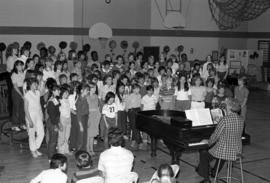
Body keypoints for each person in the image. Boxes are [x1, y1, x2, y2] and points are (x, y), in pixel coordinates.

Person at [196, 98, 244, 183]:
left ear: (229, 107)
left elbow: (215, 136)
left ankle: (206, 179)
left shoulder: (224, 120)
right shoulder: (241, 119)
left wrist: (207, 142)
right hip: (237, 150)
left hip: (225, 151)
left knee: (203, 153)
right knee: (213, 149)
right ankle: (213, 171)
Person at [24, 78, 44, 158]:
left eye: (36, 83)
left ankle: (35, 147)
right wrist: (29, 120)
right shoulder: (27, 94)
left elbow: (39, 105)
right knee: (31, 134)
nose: (36, 85)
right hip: (30, 115)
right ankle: (33, 150)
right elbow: (25, 109)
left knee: (41, 133)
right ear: (30, 85)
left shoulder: (38, 93)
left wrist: (41, 114)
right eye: (34, 84)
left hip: (38, 114)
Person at [86, 82, 101, 155]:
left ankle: (91, 149)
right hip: (89, 116)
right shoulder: (86, 97)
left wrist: (98, 117)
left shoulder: (96, 96)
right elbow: (85, 109)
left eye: (95, 87)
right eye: (93, 88)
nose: (94, 89)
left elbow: (98, 107)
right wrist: (87, 118)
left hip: (95, 116)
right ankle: (87, 149)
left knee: (92, 135)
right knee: (88, 135)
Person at [47, 85, 61, 159]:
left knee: (54, 141)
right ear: (53, 91)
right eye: (57, 90)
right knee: (52, 141)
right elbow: (52, 115)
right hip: (53, 122)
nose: (59, 91)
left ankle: (53, 156)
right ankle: (50, 158)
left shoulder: (55, 99)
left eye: (59, 90)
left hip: (55, 121)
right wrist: (56, 125)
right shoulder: (51, 101)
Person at [11, 60, 25, 131]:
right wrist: (21, 94)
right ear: (16, 66)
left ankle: (22, 123)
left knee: (22, 108)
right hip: (17, 91)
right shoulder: (14, 74)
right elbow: (15, 86)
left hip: (22, 89)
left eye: (22, 65)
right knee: (16, 108)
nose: (21, 66)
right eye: (19, 65)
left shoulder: (23, 73)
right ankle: (14, 125)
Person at [58, 86, 72, 154]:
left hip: (68, 118)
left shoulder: (67, 100)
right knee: (62, 136)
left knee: (67, 136)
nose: (67, 94)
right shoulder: (59, 101)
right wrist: (59, 122)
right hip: (62, 118)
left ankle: (66, 150)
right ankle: (61, 151)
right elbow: (58, 112)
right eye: (65, 93)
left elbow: (69, 109)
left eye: (67, 93)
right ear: (61, 93)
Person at [76, 84, 90, 151]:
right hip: (81, 119)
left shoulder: (85, 99)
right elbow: (78, 114)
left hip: (85, 118)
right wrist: (80, 125)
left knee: (85, 136)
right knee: (81, 137)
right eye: (87, 90)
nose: (88, 92)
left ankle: (83, 150)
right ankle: (79, 152)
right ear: (82, 91)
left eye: (88, 90)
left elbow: (87, 111)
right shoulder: (79, 100)